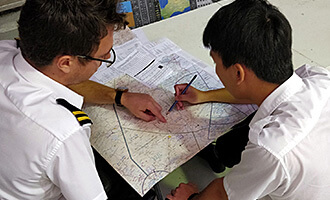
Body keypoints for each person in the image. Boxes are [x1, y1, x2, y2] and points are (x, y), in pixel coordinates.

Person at [0, 0, 165, 199]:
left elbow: (58, 80)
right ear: (66, 63)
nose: (103, 63)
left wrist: (121, 97)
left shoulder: (6, 50)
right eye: (103, 57)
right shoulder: (63, 133)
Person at [166, 0, 330, 199]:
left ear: (237, 73)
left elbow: (222, 194)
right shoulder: (318, 78)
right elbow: (257, 91)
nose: (216, 69)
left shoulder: (271, 149)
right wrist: (204, 96)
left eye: (215, 62)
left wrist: (190, 197)